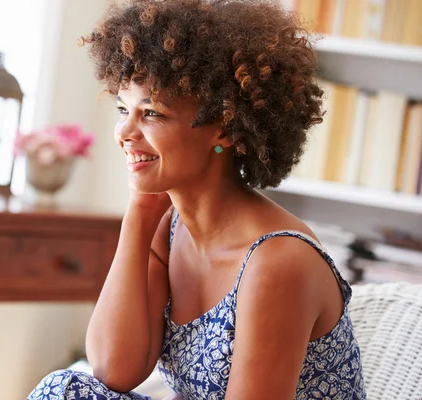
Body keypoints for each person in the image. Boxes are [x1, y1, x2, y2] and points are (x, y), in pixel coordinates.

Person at [29, 0, 366, 399]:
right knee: (66, 389)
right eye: (124, 109)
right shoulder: (168, 230)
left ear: (224, 129)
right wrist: (138, 214)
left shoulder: (277, 261)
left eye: (152, 113)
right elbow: (113, 370)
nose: (124, 132)